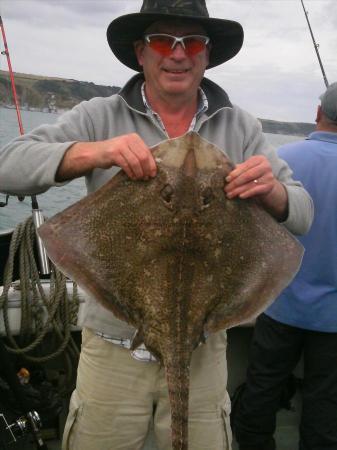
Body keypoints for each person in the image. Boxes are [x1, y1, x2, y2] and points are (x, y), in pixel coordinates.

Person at [0, 1, 313, 449]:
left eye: (193, 43)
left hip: (204, 352)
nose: (178, 54)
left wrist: (272, 191)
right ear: (141, 52)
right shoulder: (98, 115)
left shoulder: (241, 126)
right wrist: (96, 153)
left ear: (207, 55)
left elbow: (302, 213)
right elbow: (7, 164)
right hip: (112, 347)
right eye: (164, 41)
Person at [232, 82, 337, 450]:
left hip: (280, 303)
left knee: (260, 390)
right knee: (326, 406)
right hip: (334, 321)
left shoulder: (280, 159)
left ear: (317, 114)